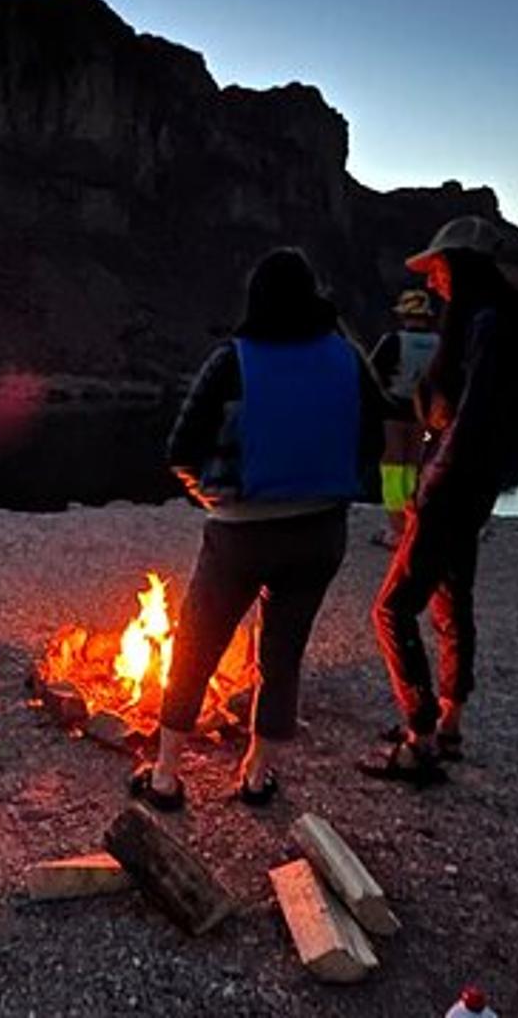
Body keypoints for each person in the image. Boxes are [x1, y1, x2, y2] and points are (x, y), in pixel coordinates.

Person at [129, 248, 385, 810]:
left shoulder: (233, 359)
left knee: (196, 648)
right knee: (282, 658)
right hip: (320, 533)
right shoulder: (346, 356)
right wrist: (335, 484)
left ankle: (166, 776)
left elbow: (181, 447)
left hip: (240, 534)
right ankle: (256, 776)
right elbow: (374, 438)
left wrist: (206, 491)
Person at [363, 215, 518, 780]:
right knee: (451, 599)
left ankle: (419, 738)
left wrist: (430, 484)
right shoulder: (512, 322)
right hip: (477, 484)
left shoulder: (487, 323)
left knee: (392, 608)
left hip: (453, 482)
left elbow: (473, 418)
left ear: (461, 267)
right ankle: (449, 725)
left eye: (439, 267)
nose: (433, 280)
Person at [369, 288, 442, 547]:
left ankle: (396, 527)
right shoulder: (439, 344)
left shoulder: (393, 341)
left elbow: (373, 375)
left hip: (393, 411)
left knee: (391, 469)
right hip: (424, 415)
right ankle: (413, 523)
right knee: (413, 467)